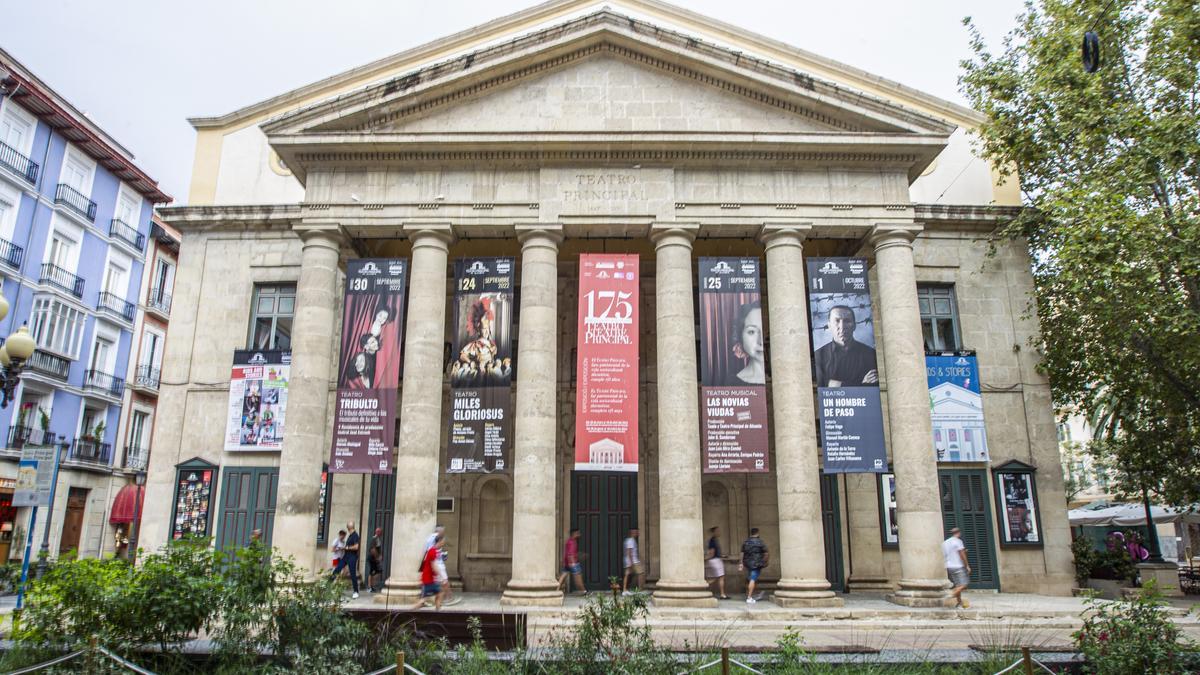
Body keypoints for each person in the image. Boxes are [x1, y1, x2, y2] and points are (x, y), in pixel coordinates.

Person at [813, 305, 878, 387]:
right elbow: (820, 384)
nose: (842, 327)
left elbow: (873, 385)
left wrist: (834, 384)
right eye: (837, 321)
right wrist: (861, 384)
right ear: (829, 326)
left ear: (854, 325)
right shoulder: (818, 356)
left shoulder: (870, 354)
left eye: (847, 321)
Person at [730, 301, 766, 385]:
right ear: (741, 336)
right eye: (752, 331)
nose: (760, 341)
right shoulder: (733, 383)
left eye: (764, 330)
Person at [411, 535, 445, 611]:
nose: (443, 543)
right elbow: (434, 566)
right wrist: (441, 576)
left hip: (429, 579)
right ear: (439, 541)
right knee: (425, 599)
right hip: (429, 579)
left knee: (438, 593)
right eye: (442, 542)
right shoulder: (432, 551)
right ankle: (410, 611)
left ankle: (438, 610)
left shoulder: (432, 551)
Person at [331, 522, 361, 599]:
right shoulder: (350, 536)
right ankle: (327, 586)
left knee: (352, 573)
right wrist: (344, 548)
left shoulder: (355, 535)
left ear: (348, 528)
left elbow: (356, 547)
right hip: (346, 556)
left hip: (352, 557)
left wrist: (346, 548)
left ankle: (356, 591)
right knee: (337, 570)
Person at [739, 527, 769, 604]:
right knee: (752, 579)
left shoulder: (746, 542)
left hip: (747, 563)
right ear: (757, 533)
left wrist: (741, 563)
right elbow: (766, 553)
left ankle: (751, 594)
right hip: (756, 563)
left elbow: (742, 553)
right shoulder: (760, 542)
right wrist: (764, 562)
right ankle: (749, 597)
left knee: (750, 579)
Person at [943, 527, 971, 608]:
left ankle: (959, 603)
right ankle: (951, 594)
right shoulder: (958, 542)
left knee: (958, 584)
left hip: (949, 566)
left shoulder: (945, 543)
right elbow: (962, 554)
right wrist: (967, 566)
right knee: (964, 584)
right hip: (958, 566)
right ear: (958, 533)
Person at [557, 528, 588, 595]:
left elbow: (571, 552)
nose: (579, 534)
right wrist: (573, 563)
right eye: (578, 533)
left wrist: (579, 555)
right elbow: (570, 554)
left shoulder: (570, 541)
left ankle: (556, 589)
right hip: (572, 563)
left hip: (567, 562)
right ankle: (583, 591)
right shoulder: (572, 542)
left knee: (563, 575)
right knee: (578, 576)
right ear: (574, 534)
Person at [706, 526, 729, 599]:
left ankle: (705, 589)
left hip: (713, 560)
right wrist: (706, 558)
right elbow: (712, 552)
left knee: (713, 578)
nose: (719, 532)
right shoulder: (713, 540)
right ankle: (722, 594)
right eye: (717, 531)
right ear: (714, 532)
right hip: (715, 561)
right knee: (720, 577)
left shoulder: (714, 540)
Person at [622, 528, 644, 594]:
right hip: (633, 561)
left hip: (631, 560)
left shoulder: (630, 540)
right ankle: (639, 590)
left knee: (628, 574)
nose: (637, 533)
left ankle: (625, 589)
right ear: (632, 533)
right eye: (636, 532)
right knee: (641, 573)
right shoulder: (631, 541)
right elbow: (629, 552)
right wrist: (631, 562)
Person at [367, 527, 385, 592]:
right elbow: (373, 549)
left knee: (375, 572)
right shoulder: (374, 539)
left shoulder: (377, 539)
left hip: (374, 558)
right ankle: (370, 587)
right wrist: (377, 557)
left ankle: (371, 586)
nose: (381, 533)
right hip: (372, 558)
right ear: (377, 532)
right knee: (372, 572)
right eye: (380, 532)